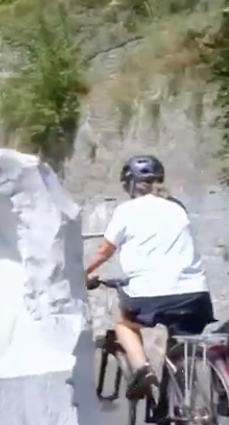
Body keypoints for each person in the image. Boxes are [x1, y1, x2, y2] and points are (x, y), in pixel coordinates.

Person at [84, 154, 213, 400]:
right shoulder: (177, 207)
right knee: (182, 343)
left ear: (130, 184)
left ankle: (142, 369)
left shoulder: (127, 211)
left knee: (124, 322)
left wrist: (82, 274)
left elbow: (104, 251)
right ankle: (188, 409)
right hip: (195, 294)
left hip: (151, 294)